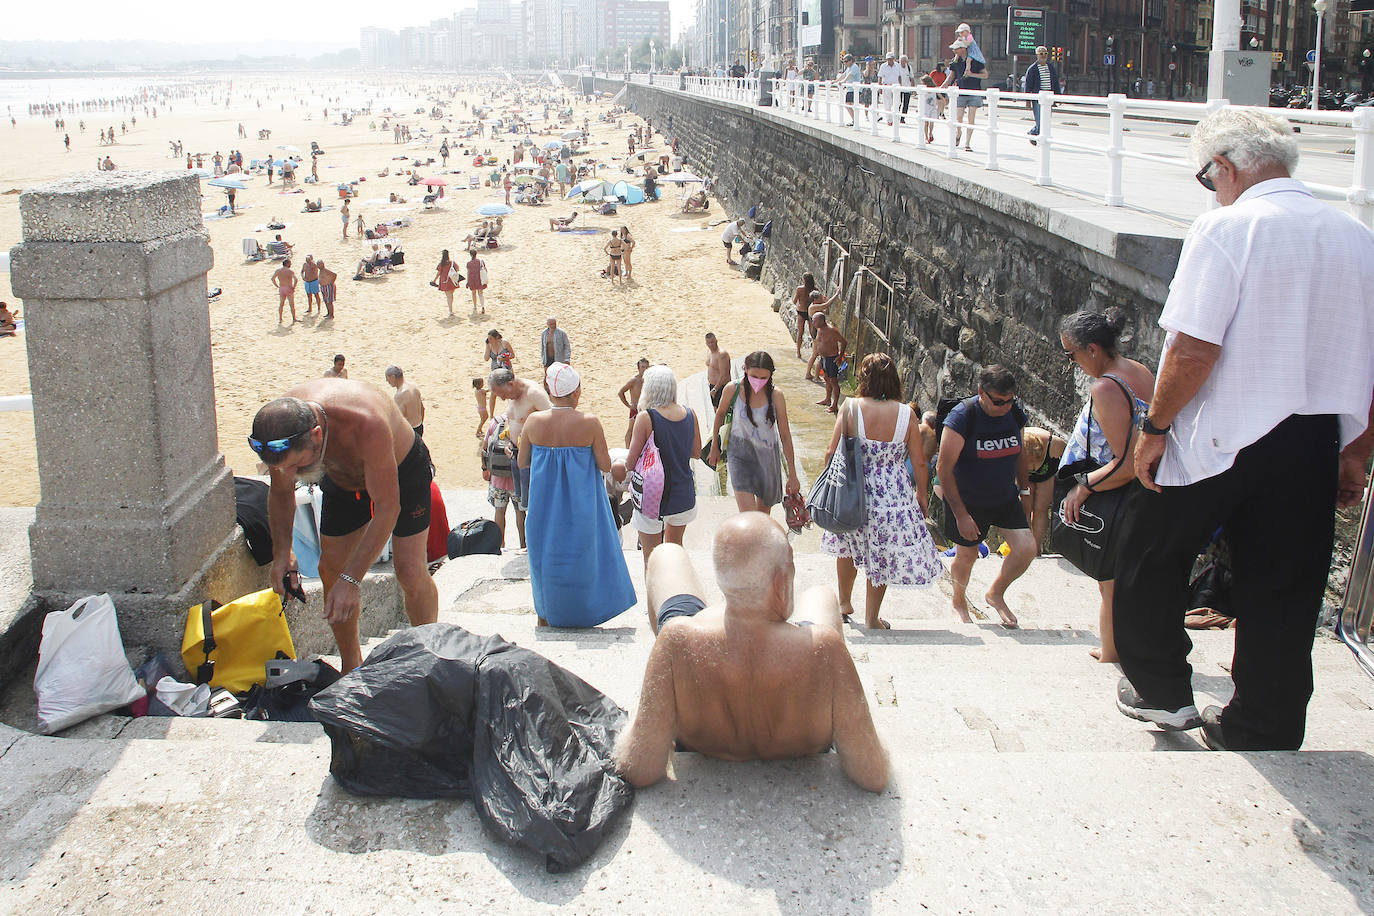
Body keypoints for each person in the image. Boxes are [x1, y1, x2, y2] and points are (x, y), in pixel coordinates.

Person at [1113, 108, 1374, 750]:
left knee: (1150, 553)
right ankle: (1265, 723)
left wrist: (1155, 426)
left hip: (1224, 434)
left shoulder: (1228, 228)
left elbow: (1193, 348)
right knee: (1285, 583)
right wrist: (1355, 453)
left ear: (1224, 167)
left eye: (1208, 178)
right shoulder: (1357, 237)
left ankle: (1162, 693)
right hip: (1313, 439)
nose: (1210, 190)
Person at [613, 514, 889, 793]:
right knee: (822, 595)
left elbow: (640, 769)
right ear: (781, 583)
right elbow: (872, 775)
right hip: (799, 690)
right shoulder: (825, 650)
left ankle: (723, 616)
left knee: (665, 553)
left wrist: (653, 701)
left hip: (700, 677)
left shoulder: (676, 642)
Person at [251, 382, 438, 672]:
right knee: (329, 569)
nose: (289, 475)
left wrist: (352, 581)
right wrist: (282, 554)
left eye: (296, 466)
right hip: (342, 478)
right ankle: (351, 666)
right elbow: (280, 492)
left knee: (410, 570)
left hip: (402, 472)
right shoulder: (281, 425)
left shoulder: (365, 422)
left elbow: (388, 508)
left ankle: (431, 657)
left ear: (316, 434)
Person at [1059, 309, 1155, 663]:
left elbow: (1127, 461)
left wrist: (1083, 487)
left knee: (1109, 579)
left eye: (1072, 354)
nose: (1072, 362)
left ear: (1093, 349)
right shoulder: (1139, 371)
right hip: (1147, 488)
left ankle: (1113, 652)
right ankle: (1121, 647)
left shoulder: (1106, 387)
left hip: (1119, 491)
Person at [821, 354, 943, 630]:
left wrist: (832, 484)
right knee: (882, 552)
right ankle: (871, 617)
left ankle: (843, 603)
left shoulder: (851, 408)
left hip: (854, 489)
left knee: (848, 545)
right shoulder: (905, 414)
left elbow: (831, 451)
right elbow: (920, 460)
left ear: (864, 378)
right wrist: (921, 495)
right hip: (892, 495)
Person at [517, 363, 636, 627]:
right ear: (576, 392)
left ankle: (546, 619)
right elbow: (605, 464)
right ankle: (583, 617)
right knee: (582, 560)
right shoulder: (589, 423)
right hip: (581, 505)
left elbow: (523, 461)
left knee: (546, 563)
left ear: (550, 390)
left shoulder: (535, 422)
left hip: (544, 506)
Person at [936, 365, 1034, 628]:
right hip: (968, 500)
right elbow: (943, 469)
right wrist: (960, 515)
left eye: (1010, 400)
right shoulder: (962, 417)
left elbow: (1020, 453)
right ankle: (958, 601)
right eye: (998, 401)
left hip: (1004, 497)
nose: (1005, 406)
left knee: (1026, 549)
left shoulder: (1014, 412)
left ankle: (996, 593)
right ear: (981, 393)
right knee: (966, 556)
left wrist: (1025, 490)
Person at [618, 365, 700, 566]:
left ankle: (657, 597)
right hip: (683, 495)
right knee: (675, 555)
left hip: (653, 498)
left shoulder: (647, 417)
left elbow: (631, 461)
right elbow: (696, 453)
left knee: (652, 560)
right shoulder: (691, 414)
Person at [709, 350, 801, 515]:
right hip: (739, 455)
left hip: (767, 457)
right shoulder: (733, 389)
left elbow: (785, 436)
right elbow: (720, 413)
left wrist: (792, 474)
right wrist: (714, 445)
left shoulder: (776, 396)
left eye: (763, 378)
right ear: (745, 369)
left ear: (771, 375)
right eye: (754, 376)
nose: (758, 382)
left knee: (762, 518)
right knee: (749, 517)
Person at [487, 367, 552, 549]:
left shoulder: (533, 393)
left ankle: (539, 545)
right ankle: (531, 546)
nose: (502, 398)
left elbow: (553, 420)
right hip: (517, 456)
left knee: (536, 504)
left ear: (510, 383)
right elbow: (512, 420)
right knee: (525, 504)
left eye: (501, 394)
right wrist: (509, 441)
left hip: (535, 457)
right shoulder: (513, 396)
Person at [1019, 426, 1066, 553]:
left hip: (1047, 469)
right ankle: (1025, 546)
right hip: (1022, 472)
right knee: (1025, 507)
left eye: (1033, 465)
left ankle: (1036, 547)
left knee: (1041, 508)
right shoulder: (1015, 443)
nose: (1032, 469)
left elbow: (1070, 458)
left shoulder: (1054, 445)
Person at [948, 39, 986, 152]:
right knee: (958, 116)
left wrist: (972, 74)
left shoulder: (976, 61)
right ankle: (958, 132)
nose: (954, 51)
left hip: (974, 91)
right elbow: (951, 76)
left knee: (971, 118)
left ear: (963, 49)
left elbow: (985, 75)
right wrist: (943, 86)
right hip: (961, 91)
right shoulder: (955, 62)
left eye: (956, 49)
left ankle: (967, 143)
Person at [1023, 46, 1062, 142]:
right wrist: (1027, 100)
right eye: (1041, 54)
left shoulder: (1050, 67)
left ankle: (1036, 136)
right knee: (1040, 121)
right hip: (1038, 98)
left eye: (1045, 54)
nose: (1043, 56)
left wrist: (1058, 97)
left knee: (1046, 121)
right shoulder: (1032, 69)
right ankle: (1033, 133)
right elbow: (1028, 85)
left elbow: (1055, 83)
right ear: (1037, 55)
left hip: (1049, 98)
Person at [811, 314, 847, 413]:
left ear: (822, 321)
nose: (813, 323)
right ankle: (827, 399)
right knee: (826, 379)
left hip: (832, 359)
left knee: (833, 381)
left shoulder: (832, 331)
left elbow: (844, 342)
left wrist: (840, 356)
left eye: (815, 321)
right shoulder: (819, 329)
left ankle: (834, 405)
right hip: (824, 358)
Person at [385, 365, 426, 439]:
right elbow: (422, 409)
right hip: (419, 427)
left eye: (387, 378)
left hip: (409, 432)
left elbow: (399, 419)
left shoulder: (400, 395)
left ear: (393, 377)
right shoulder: (414, 386)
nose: (387, 381)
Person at [617, 358, 651, 447]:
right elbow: (621, 392)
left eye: (647, 367)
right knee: (631, 430)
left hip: (646, 408)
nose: (645, 369)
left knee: (647, 430)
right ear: (638, 368)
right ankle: (627, 449)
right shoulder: (634, 380)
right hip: (635, 409)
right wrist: (628, 405)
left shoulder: (649, 380)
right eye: (643, 367)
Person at [792, 272, 818, 360]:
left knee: (800, 332)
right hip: (811, 312)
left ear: (804, 280)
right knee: (813, 334)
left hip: (801, 311)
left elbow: (794, 301)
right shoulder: (815, 290)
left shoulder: (799, 289)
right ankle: (815, 352)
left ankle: (798, 352)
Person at [704, 332, 731, 408]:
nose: (710, 345)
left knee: (723, 410)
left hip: (721, 386)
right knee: (716, 409)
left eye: (712, 342)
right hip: (712, 386)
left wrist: (715, 389)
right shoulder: (709, 352)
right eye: (708, 343)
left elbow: (724, 375)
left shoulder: (722, 354)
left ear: (716, 341)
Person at [836, 52, 862, 127]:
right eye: (844, 62)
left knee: (850, 104)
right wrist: (835, 81)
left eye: (846, 61)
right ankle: (855, 120)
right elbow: (844, 75)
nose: (845, 63)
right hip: (850, 89)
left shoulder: (854, 67)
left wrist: (843, 81)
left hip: (854, 89)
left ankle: (855, 120)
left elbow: (850, 75)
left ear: (851, 60)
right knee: (849, 104)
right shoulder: (848, 68)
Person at [270, 259, 298, 324]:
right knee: (291, 304)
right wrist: (293, 287)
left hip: (282, 288)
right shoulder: (290, 271)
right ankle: (294, 318)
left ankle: (280, 318)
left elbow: (273, 279)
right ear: (287, 264)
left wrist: (277, 286)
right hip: (288, 288)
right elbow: (296, 280)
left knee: (281, 304)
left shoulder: (278, 271)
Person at [435, 249, 458, 317]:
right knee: (451, 295)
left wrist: (434, 280)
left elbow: (438, 273)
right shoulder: (452, 262)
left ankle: (450, 310)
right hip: (452, 280)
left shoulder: (441, 263)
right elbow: (457, 268)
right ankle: (451, 309)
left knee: (448, 296)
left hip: (444, 280)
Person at [465, 248, 487, 314]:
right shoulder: (480, 261)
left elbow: (468, 273)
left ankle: (475, 307)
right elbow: (485, 270)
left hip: (472, 279)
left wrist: (467, 282)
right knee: (480, 294)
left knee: (473, 293)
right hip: (479, 278)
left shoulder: (469, 263)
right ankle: (482, 306)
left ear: (470, 255)